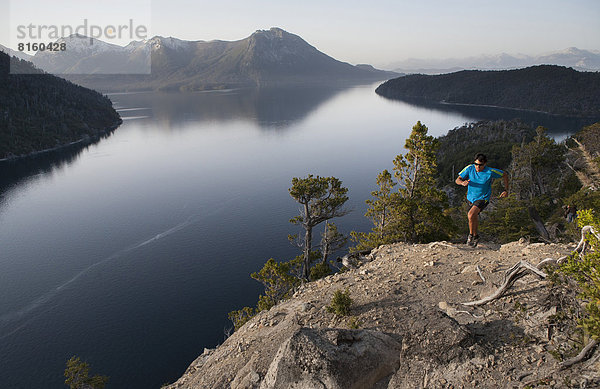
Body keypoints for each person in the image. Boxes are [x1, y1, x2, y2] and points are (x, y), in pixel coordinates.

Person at [455, 153, 509, 247]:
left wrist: (505, 190)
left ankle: (471, 236)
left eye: (480, 165)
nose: (478, 167)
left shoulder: (490, 171)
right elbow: (457, 179)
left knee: (471, 214)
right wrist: (462, 183)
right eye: (476, 164)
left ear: (485, 164)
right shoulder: (469, 168)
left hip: (483, 198)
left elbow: (504, 174)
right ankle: (476, 236)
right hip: (470, 198)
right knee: (473, 217)